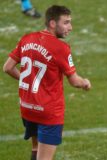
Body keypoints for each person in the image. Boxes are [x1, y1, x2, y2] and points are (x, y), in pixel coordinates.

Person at [3, 5, 91, 160]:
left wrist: (27, 80)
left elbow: (7, 67)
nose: (70, 27)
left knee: (36, 149)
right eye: (66, 22)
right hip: (48, 113)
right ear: (52, 23)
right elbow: (74, 81)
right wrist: (85, 83)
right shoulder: (61, 48)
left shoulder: (27, 39)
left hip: (27, 108)